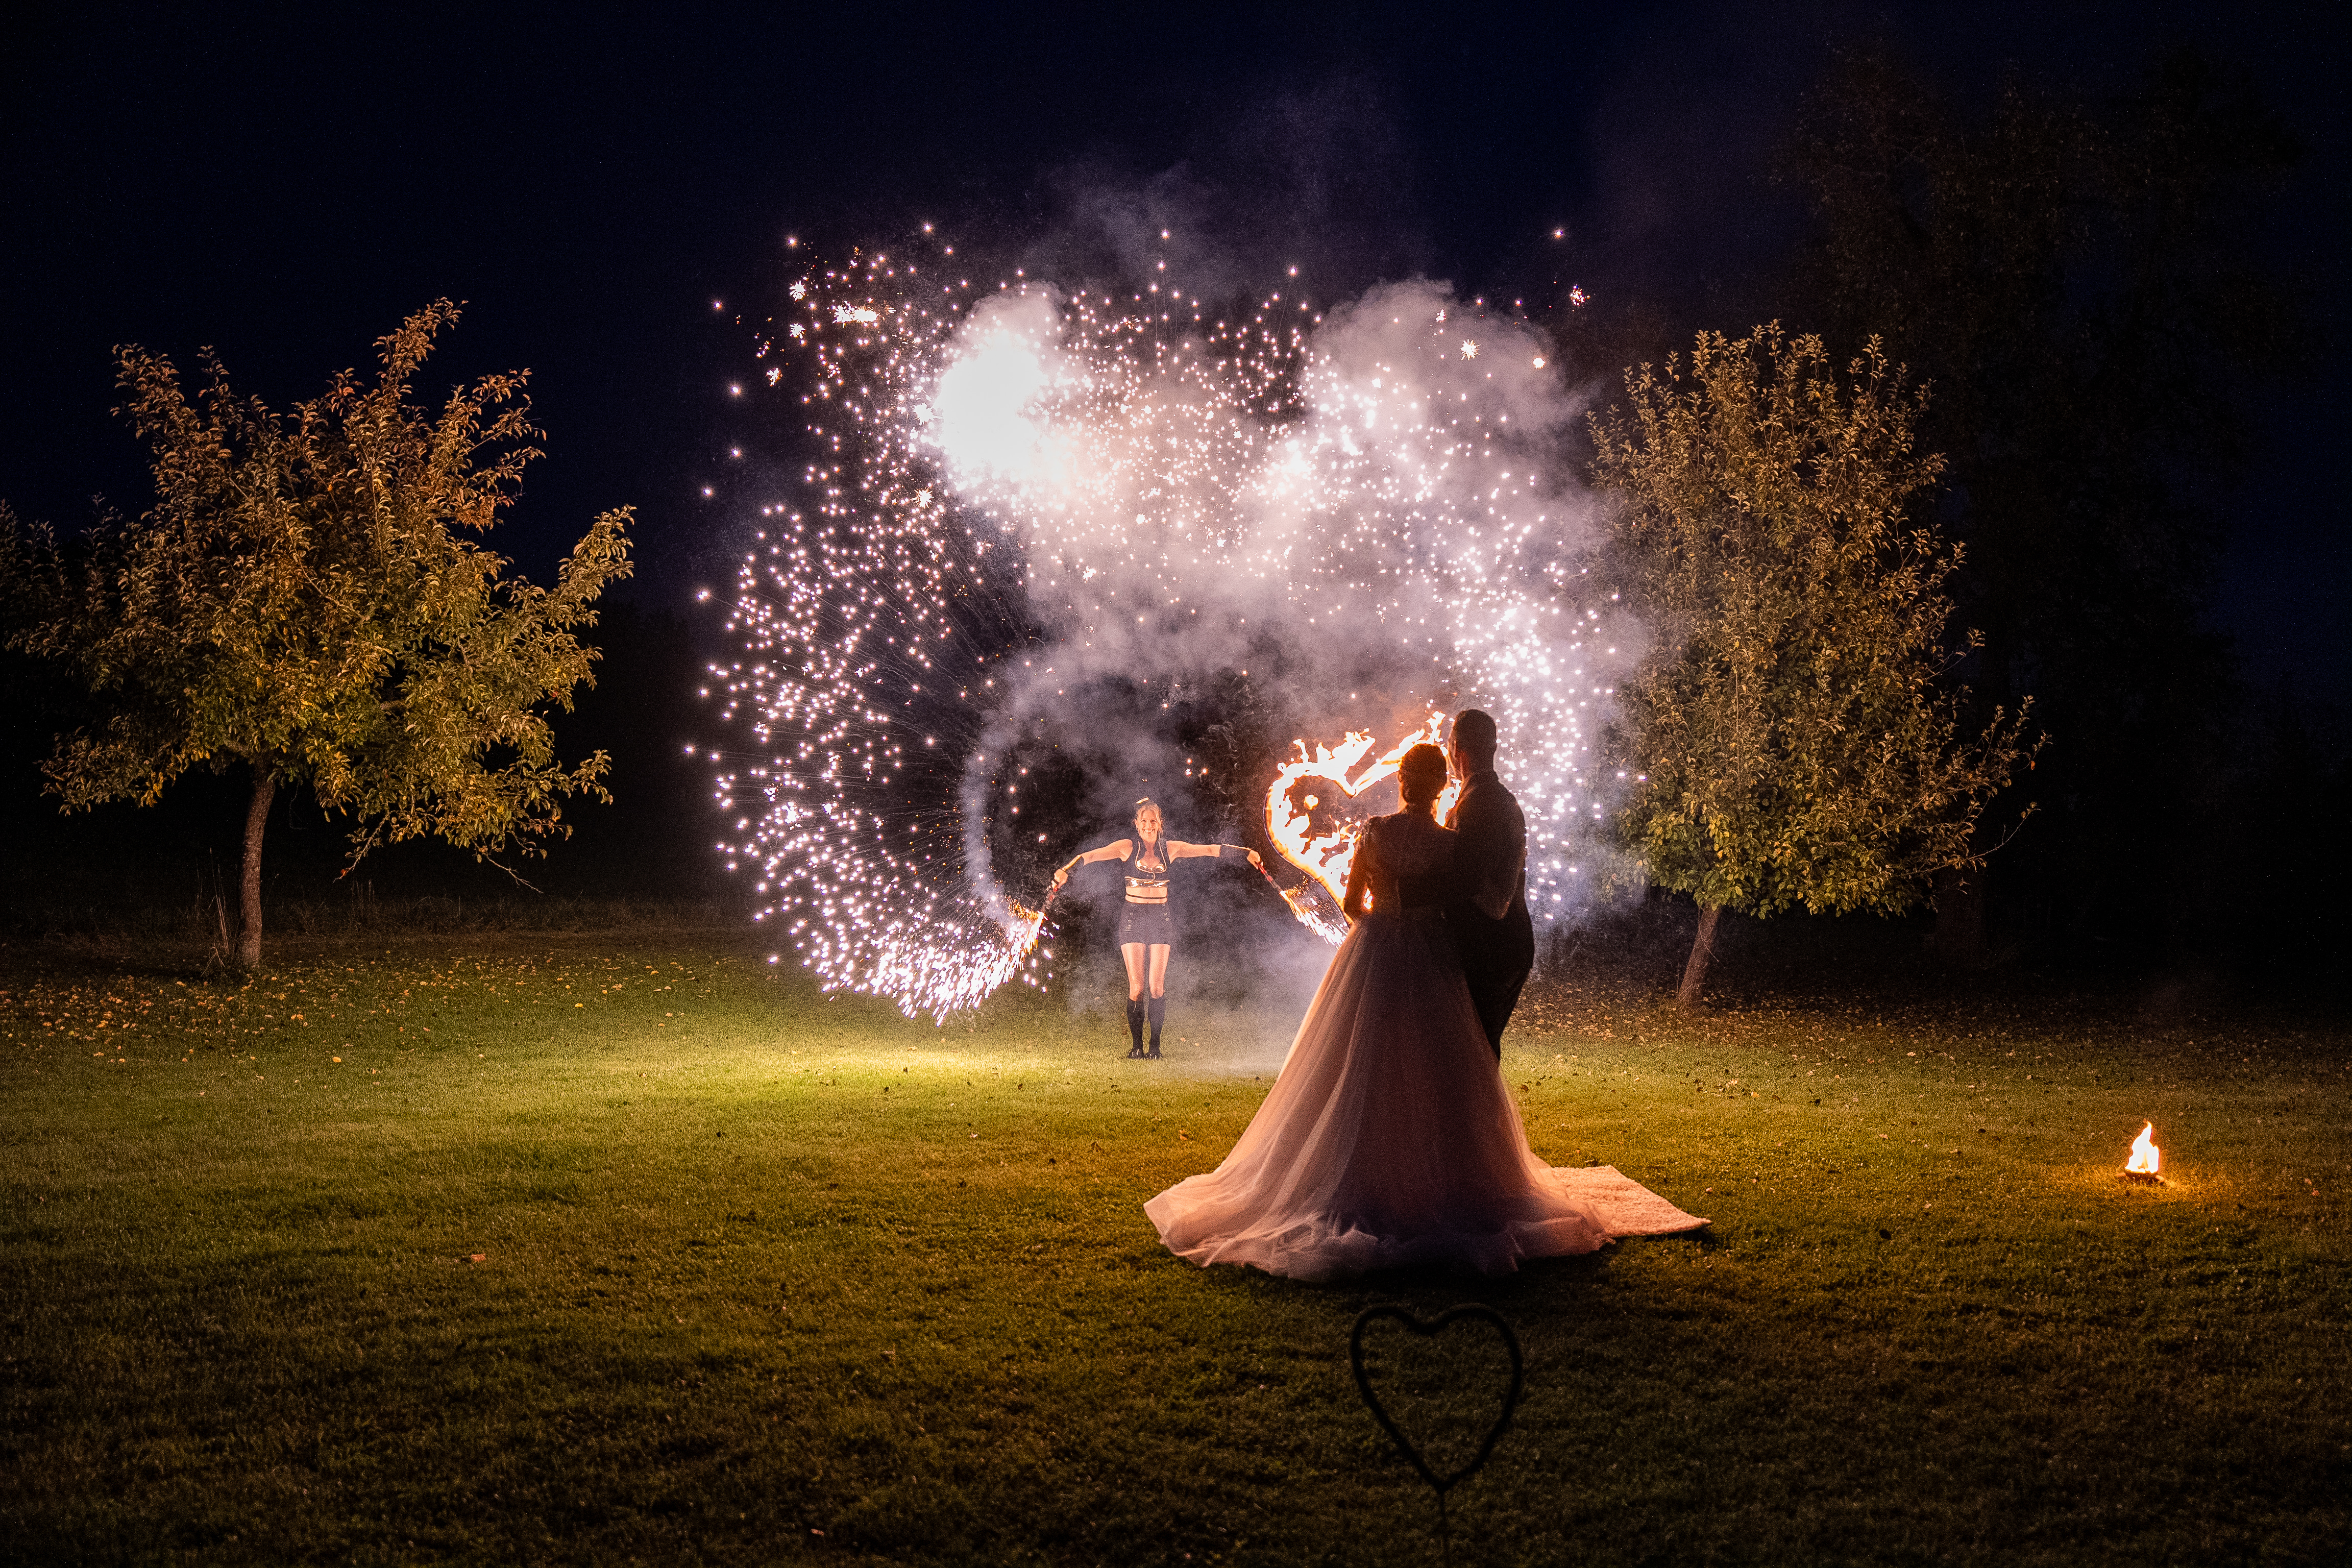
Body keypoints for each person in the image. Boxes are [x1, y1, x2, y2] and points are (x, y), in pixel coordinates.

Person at [1143, 744, 1706, 1280]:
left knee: (1363, 1060)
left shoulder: (1376, 833)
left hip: (1377, 949)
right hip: (1432, 953)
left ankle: (1354, 1172)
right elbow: (1463, 902)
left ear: (1400, 783)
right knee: (1438, 1064)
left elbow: (1351, 903)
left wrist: (1383, 918)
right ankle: (1444, 1182)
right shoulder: (1451, 846)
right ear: (1441, 790)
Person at [1054, 798, 1265, 1059]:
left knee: (1156, 987)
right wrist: (1066, 871)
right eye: (1144, 821)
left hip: (1160, 918)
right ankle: (1137, 1047)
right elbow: (1092, 855)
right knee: (1137, 987)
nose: (1149, 825)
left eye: (1153, 821)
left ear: (1160, 823)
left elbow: (1209, 850)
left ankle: (1155, 1047)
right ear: (1137, 824)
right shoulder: (1126, 848)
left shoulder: (1171, 850)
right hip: (1132, 919)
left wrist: (1245, 852)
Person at [1443, 708, 1535, 1059]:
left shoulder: (1482, 803)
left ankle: (1478, 1115)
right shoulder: (1488, 798)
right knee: (1475, 1050)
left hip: (1493, 948)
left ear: (1457, 748)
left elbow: (1487, 895)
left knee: (1475, 1052)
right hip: (1503, 944)